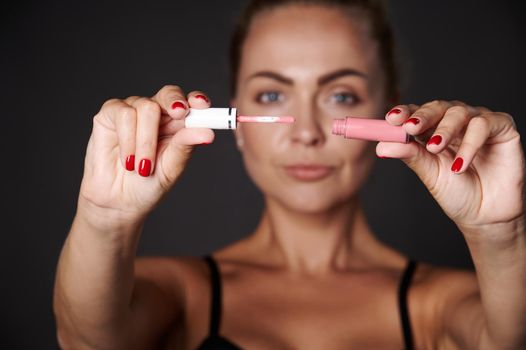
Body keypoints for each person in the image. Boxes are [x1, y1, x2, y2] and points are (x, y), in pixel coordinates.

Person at [53, 0, 526, 349]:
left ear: (389, 111)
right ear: (235, 120)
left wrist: (500, 235)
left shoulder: (444, 304)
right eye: (271, 96)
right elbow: (86, 340)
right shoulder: (180, 292)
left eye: (341, 96)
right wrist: (105, 218)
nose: (306, 132)